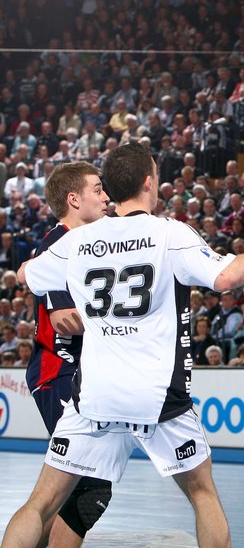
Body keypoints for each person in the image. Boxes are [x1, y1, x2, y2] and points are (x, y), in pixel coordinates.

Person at [5, 143, 244, 548]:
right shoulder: (169, 234)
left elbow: (25, 275)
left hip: (94, 395)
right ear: (149, 182)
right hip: (156, 395)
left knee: (41, 503)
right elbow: (227, 277)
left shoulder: (78, 241)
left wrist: (38, 265)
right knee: (202, 494)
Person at [23, 162, 110, 548]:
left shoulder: (91, 242)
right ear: (74, 199)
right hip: (58, 370)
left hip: (79, 375)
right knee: (90, 485)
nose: (106, 197)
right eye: (98, 189)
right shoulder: (58, 245)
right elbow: (63, 320)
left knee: (62, 491)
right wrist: (123, 327)